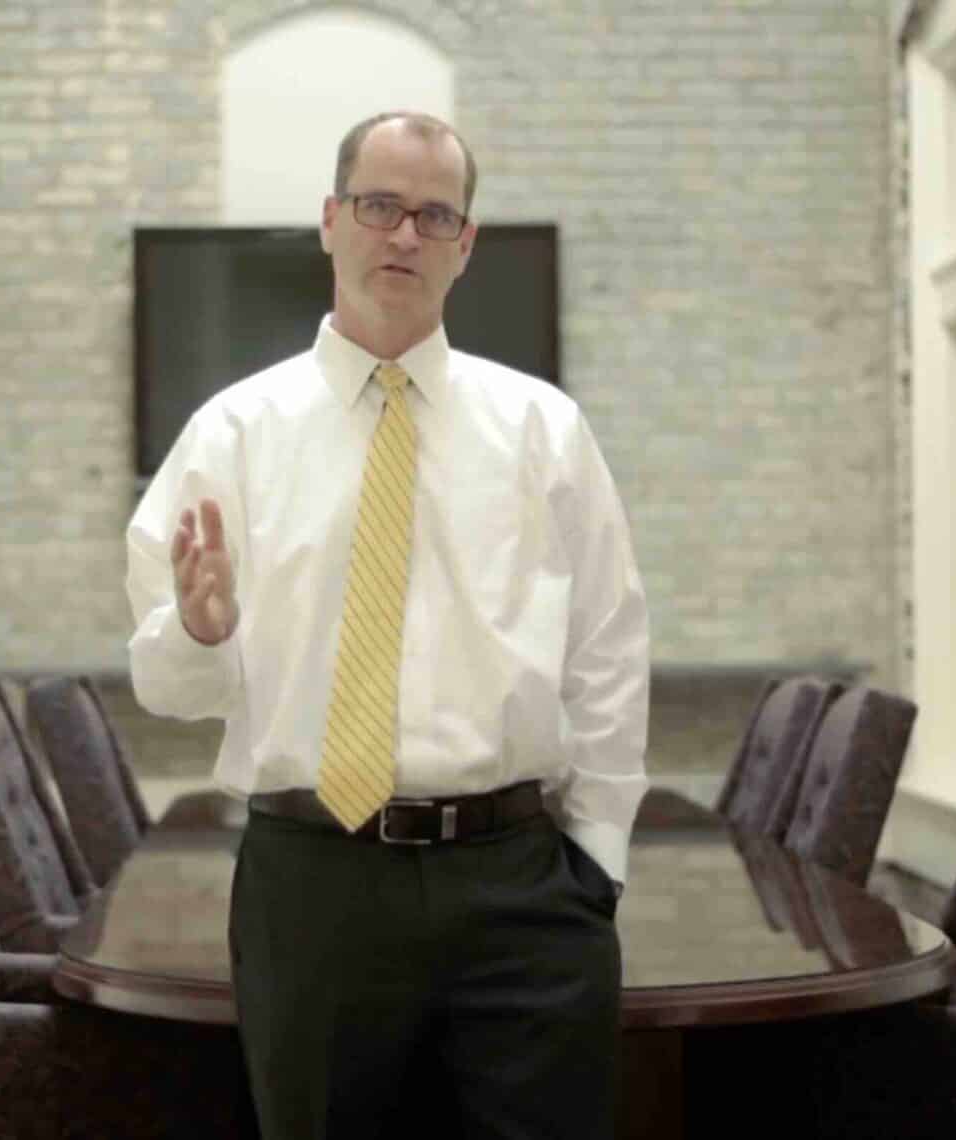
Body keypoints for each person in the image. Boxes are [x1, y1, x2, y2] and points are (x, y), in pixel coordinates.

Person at [125, 110, 648, 1139]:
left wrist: (594, 859)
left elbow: (607, 647)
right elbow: (168, 692)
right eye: (378, 206)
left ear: (465, 243)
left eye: (432, 214)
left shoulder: (542, 429)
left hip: (520, 890)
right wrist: (198, 630)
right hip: (311, 886)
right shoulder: (229, 434)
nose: (402, 234)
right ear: (330, 221)